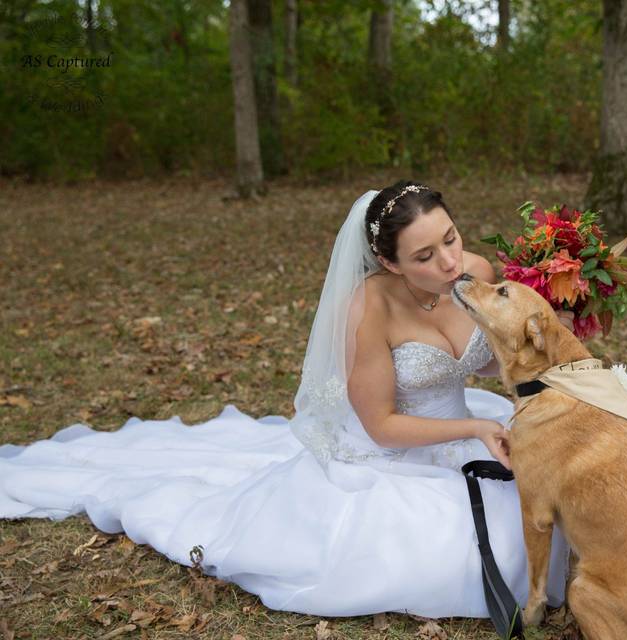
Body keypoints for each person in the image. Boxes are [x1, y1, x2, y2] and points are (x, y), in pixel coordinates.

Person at [0, 181, 570, 620]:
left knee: (551, 514)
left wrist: (548, 331)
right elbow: (381, 426)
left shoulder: (475, 273)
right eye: (424, 257)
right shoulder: (368, 309)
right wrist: (471, 429)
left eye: (450, 238)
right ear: (390, 263)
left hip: (471, 424)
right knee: (465, 548)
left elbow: (490, 361)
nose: (448, 263)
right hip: (396, 450)